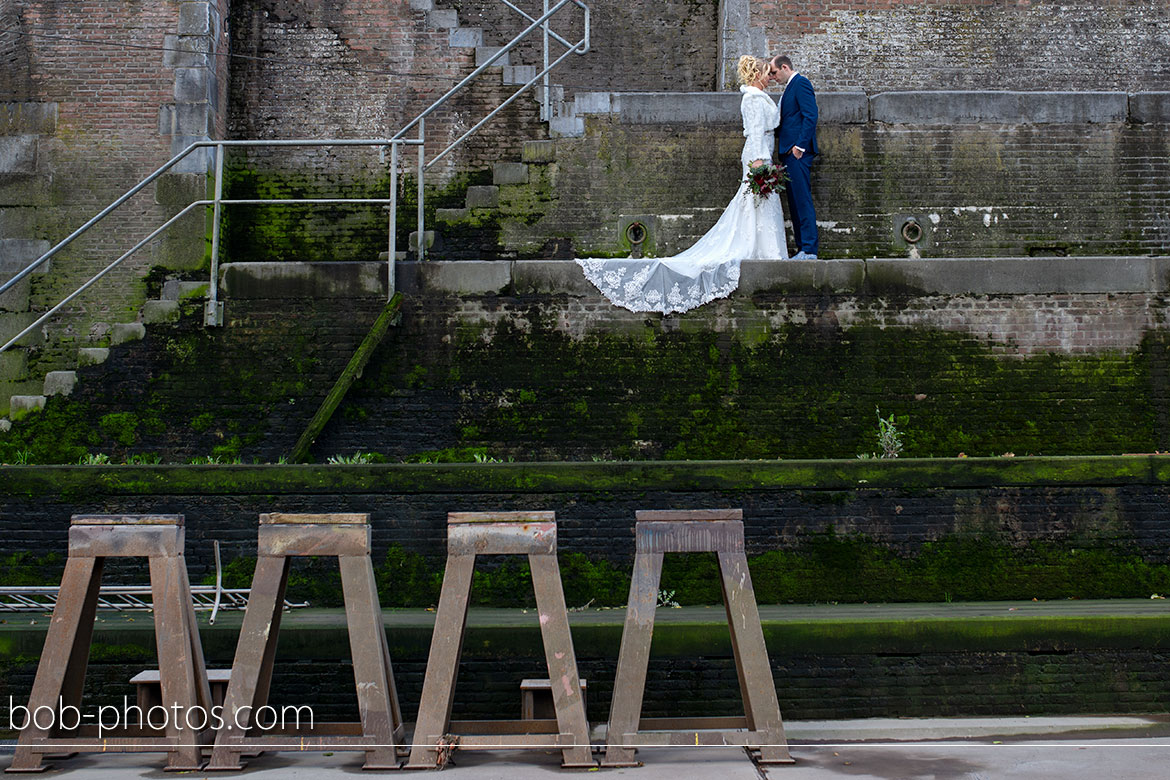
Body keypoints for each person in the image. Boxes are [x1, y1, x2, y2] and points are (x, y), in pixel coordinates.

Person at [576, 55, 788, 315]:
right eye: (767, 72)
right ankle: (764, 251)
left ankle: (766, 249)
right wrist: (759, 162)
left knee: (757, 203)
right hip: (759, 156)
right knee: (756, 201)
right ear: (757, 75)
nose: (771, 77)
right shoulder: (753, 100)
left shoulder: (758, 97)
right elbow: (755, 132)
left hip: (763, 153)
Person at [771, 55, 818, 260]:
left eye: (774, 72)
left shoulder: (801, 83)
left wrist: (799, 147)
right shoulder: (789, 88)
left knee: (802, 200)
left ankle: (809, 249)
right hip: (788, 154)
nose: (773, 77)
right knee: (795, 202)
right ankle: (802, 248)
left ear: (784, 67)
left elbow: (811, 115)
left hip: (797, 154)